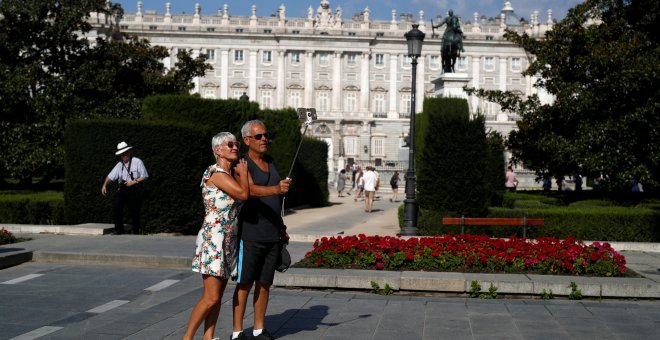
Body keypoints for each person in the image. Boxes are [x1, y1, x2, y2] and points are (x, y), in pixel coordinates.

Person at [184, 132, 249, 340]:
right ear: (217, 150)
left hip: (227, 239)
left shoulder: (228, 175)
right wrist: (244, 173)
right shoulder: (216, 173)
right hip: (214, 239)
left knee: (218, 296)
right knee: (211, 297)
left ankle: (208, 337)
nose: (235, 147)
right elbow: (243, 195)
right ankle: (187, 338)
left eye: (236, 144)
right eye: (229, 144)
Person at [232, 120, 291, 340]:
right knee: (245, 283)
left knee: (265, 283)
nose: (264, 139)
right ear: (247, 140)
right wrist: (276, 188)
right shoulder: (242, 163)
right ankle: (237, 332)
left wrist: (282, 227)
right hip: (251, 232)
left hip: (272, 232)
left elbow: (275, 199)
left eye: (266, 135)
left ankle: (258, 329)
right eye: (258, 136)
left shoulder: (270, 161)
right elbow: (250, 190)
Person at [101, 141, 149, 235]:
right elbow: (110, 176)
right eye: (121, 154)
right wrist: (104, 185)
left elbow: (145, 176)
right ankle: (119, 229)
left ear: (129, 152)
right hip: (123, 189)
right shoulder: (119, 165)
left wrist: (133, 182)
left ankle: (136, 231)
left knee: (134, 210)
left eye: (125, 153)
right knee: (116, 205)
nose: (123, 156)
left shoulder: (137, 161)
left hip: (134, 188)